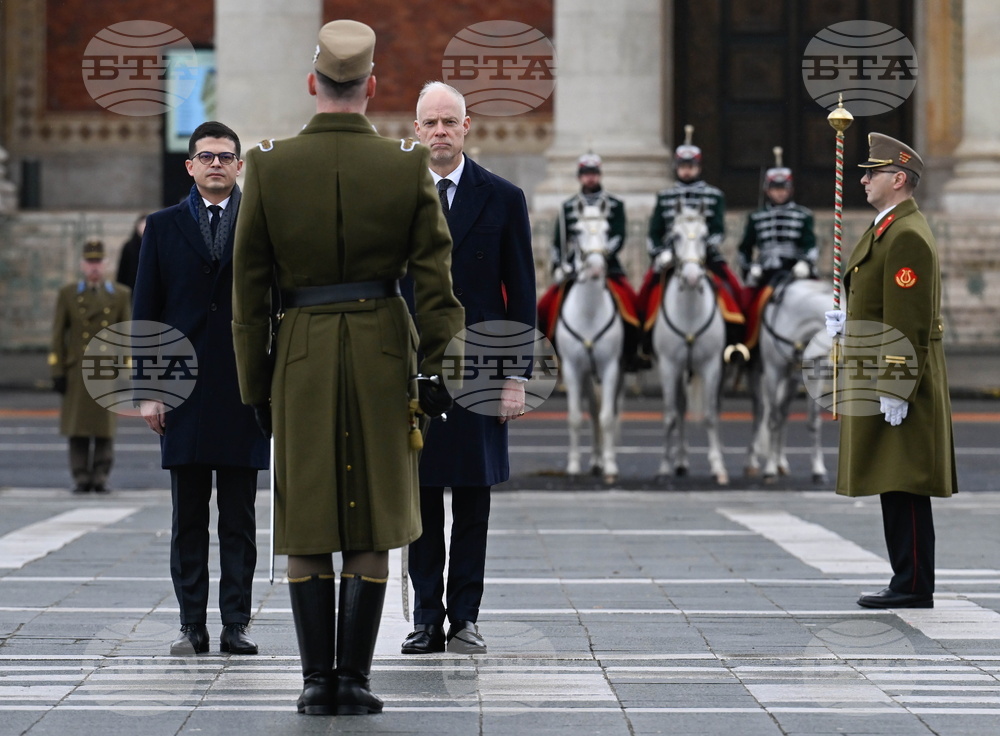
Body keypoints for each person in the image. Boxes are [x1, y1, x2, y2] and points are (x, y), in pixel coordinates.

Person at [231, 23, 464, 716]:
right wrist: (435, 370)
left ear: (312, 85)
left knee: (306, 520)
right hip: (381, 351)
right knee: (371, 519)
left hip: (298, 352)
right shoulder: (404, 165)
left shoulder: (267, 165)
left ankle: (314, 682)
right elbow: (436, 286)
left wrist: (255, 383)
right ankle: (354, 681)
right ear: (370, 87)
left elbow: (249, 292)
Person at [399, 81, 535, 656]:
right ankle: (427, 618)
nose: (439, 132)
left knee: (474, 497)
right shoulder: (397, 195)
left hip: (482, 366)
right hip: (416, 365)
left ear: (467, 126)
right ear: (415, 131)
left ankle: (467, 617)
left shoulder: (502, 197)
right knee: (422, 497)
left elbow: (521, 292)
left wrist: (516, 376)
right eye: (429, 122)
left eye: (449, 122)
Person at [132, 121, 268, 657]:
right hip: (182, 391)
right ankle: (192, 626)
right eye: (206, 156)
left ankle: (236, 624)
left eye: (226, 156)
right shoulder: (163, 227)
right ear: (189, 166)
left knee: (239, 518)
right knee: (188, 517)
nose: (216, 163)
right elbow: (146, 313)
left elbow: (272, 304)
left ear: (239, 167)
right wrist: (149, 388)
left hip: (242, 389)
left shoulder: (259, 226)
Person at [825, 133, 957, 609]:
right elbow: (879, 297)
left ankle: (914, 585)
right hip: (880, 368)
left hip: (900, 378)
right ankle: (907, 579)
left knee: (905, 482)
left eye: (872, 173)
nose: (862, 179)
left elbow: (909, 318)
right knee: (893, 479)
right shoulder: (887, 228)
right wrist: (850, 319)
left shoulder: (905, 235)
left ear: (898, 179)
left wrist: (896, 386)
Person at [640, 125, 746, 360]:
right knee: (646, 291)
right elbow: (655, 232)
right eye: (683, 167)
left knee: (733, 288)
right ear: (677, 168)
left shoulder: (714, 195)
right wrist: (659, 253)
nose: (687, 171)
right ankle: (643, 342)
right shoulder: (665, 196)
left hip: (704, 256)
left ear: (698, 167)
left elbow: (719, 230)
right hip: (671, 258)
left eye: (691, 166)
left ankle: (736, 342)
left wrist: (704, 247)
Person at [537, 153, 643, 369]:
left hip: (608, 267)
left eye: (593, 173)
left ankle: (631, 352)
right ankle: (552, 354)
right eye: (586, 174)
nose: (590, 178)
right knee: (545, 306)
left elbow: (618, 236)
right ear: (580, 176)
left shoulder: (614, 204)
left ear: (599, 175)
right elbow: (558, 242)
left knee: (633, 303)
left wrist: (602, 256)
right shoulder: (568, 206)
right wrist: (559, 265)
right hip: (574, 270)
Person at [49, 238, 131, 494]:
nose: (94, 267)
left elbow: (124, 334)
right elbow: (58, 334)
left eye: (98, 262)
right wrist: (57, 370)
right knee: (78, 426)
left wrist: (125, 371)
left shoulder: (119, 294)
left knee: (104, 428)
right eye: (89, 262)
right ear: (83, 265)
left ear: (105, 264)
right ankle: (81, 476)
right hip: (77, 369)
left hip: (106, 369)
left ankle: (100, 476)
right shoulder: (69, 293)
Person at [738, 147, 817, 350]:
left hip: (795, 270)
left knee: (816, 304)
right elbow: (744, 249)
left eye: (783, 188)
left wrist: (805, 263)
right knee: (747, 306)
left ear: (790, 189)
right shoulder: (756, 217)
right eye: (775, 188)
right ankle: (748, 348)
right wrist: (750, 268)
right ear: (767, 190)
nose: (779, 192)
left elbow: (810, 245)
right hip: (766, 272)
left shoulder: (803, 215)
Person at [115, 213, 147, 292]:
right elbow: (122, 270)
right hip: (130, 287)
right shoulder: (129, 246)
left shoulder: (155, 247)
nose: (144, 228)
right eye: (142, 224)